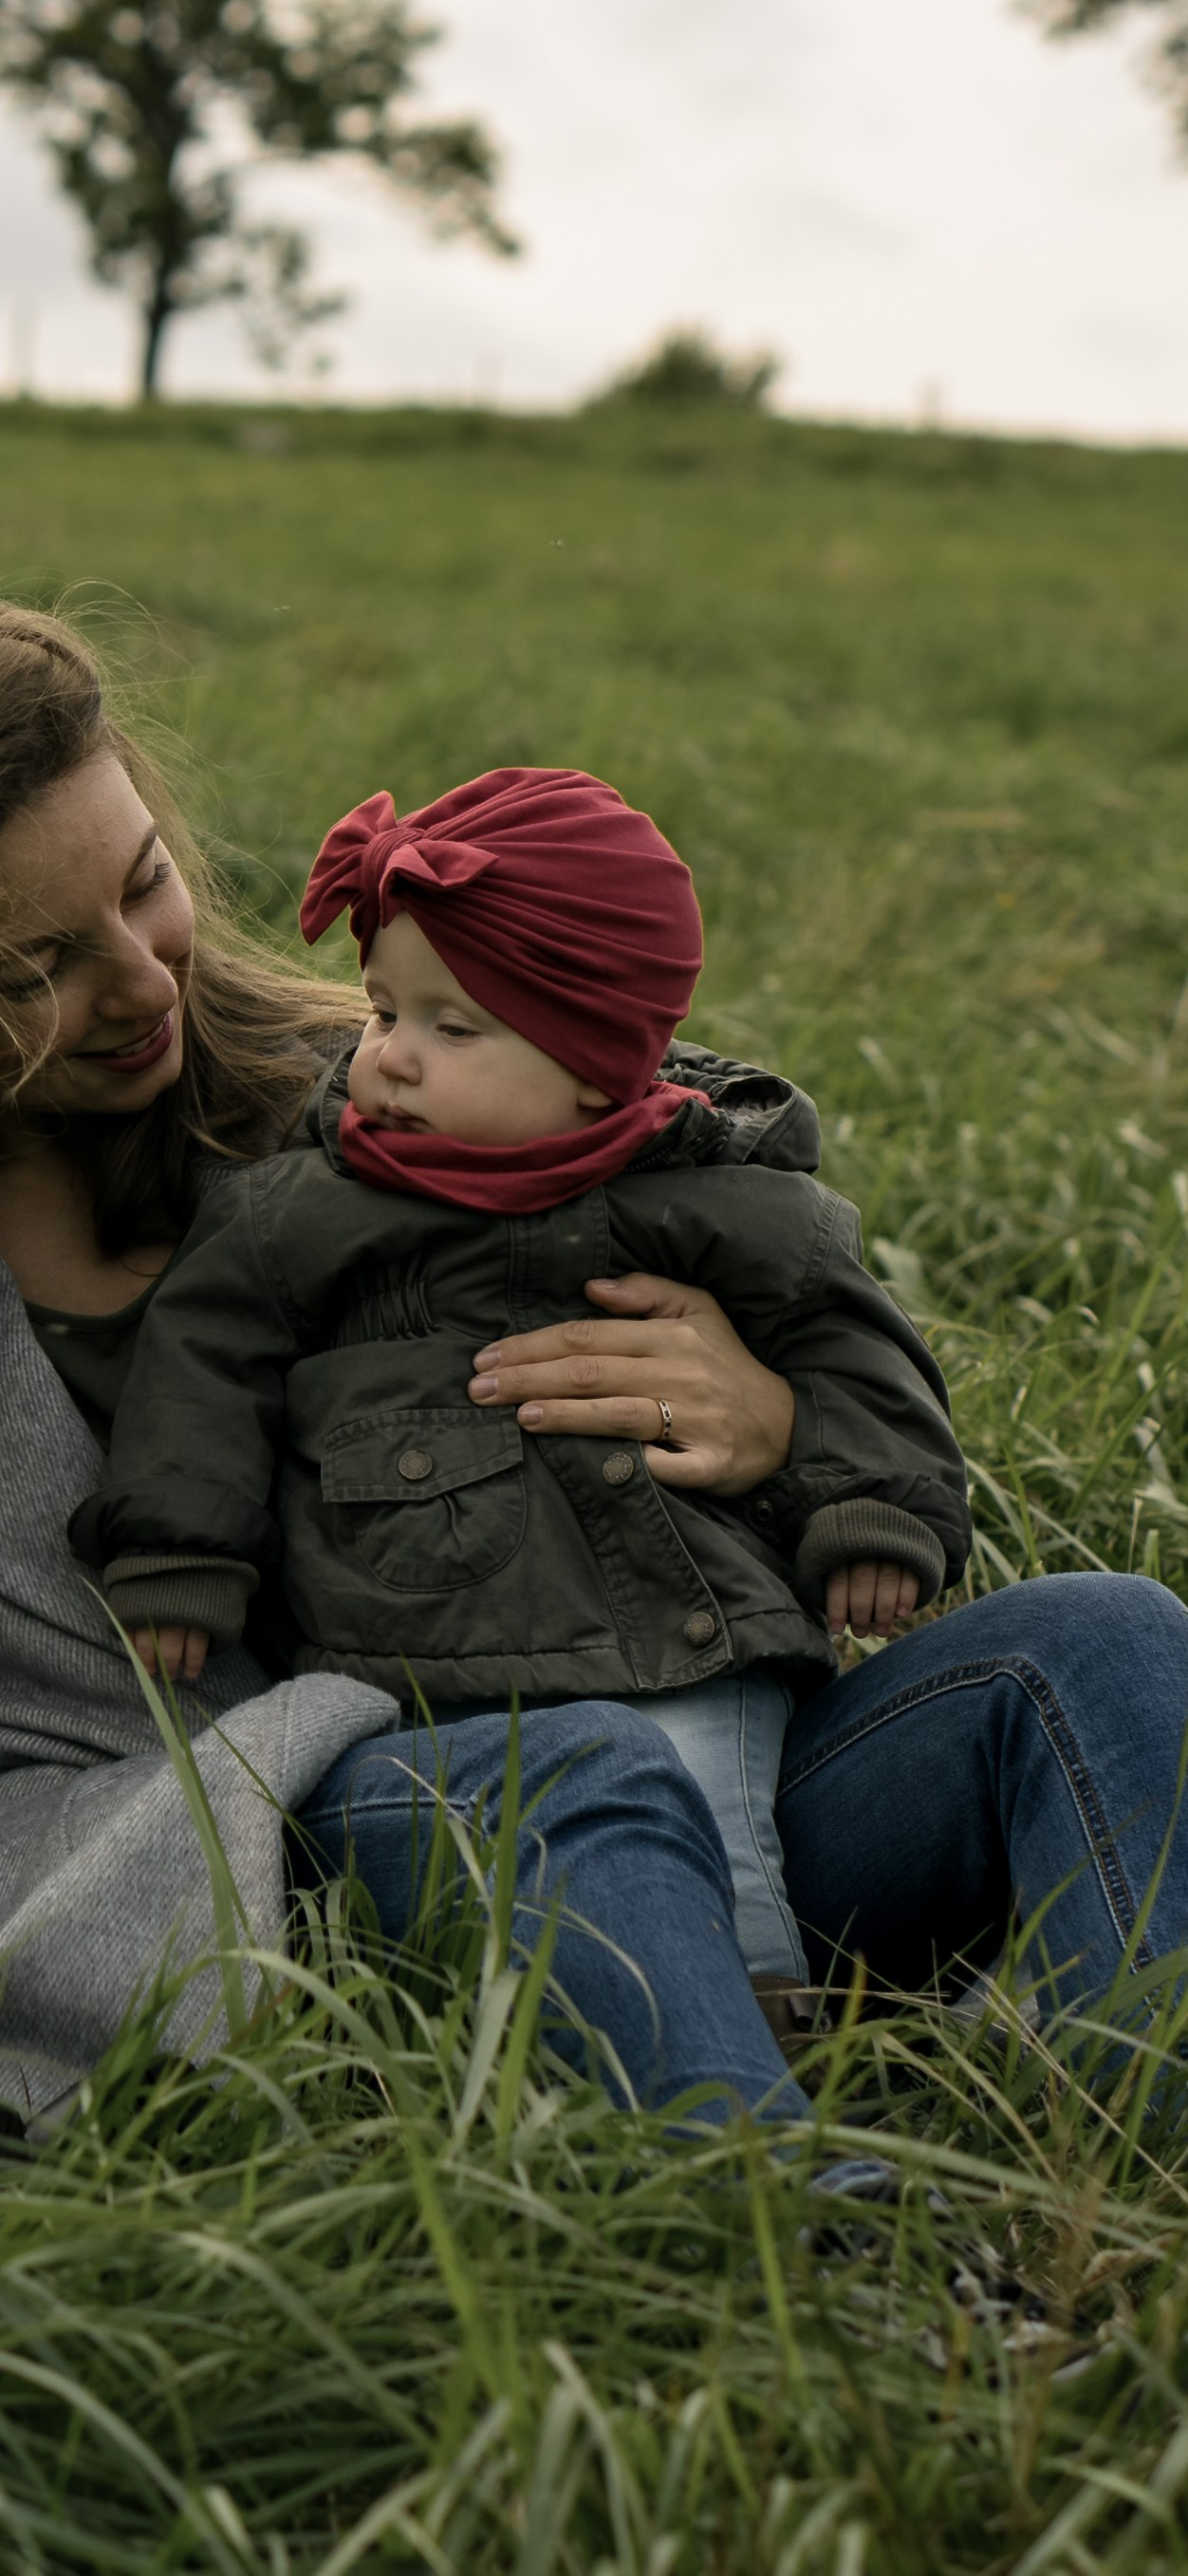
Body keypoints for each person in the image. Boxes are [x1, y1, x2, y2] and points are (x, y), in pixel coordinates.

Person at [0, 592, 1188, 2142]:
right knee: (565, 1771)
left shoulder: (385, 1093)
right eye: (31, 965)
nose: (136, 985)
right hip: (276, 1840)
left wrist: (774, 1417)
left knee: (1101, 1646)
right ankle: (795, 2255)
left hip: (693, 1788)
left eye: (144, 884)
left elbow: (699, 1157)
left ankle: (1111, 2189)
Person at [71, 766, 971, 2020]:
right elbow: (200, 1372)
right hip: (425, 1665)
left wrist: (870, 1509)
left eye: (453, 1028)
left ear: (598, 1065)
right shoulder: (305, 1209)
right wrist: (178, 1554)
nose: (385, 1054)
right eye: (385, 1010)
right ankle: (748, 2036)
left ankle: (770, 1994)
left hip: (679, 1632)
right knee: (598, 1795)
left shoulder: (727, 1198)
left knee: (711, 1784)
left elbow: (855, 1352)